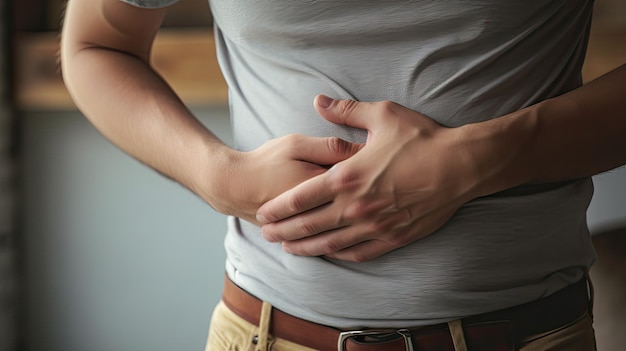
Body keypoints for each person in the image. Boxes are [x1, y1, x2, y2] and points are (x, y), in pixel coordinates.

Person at [60, 0, 626, 350]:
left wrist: (476, 159)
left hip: (525, 337)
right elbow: (96, 45)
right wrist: (218, 178)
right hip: (265, 336)